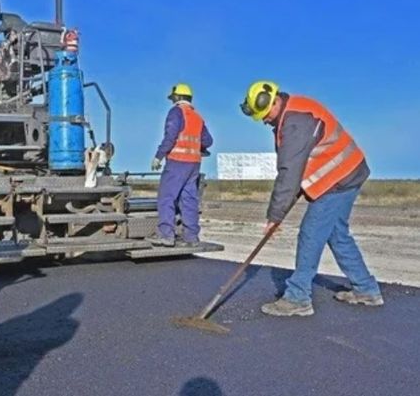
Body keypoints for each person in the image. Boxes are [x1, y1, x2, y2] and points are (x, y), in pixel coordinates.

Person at [240, 80, 382, 317]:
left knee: (311, 232)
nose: (264, 120)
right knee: (337, 234)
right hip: (349, 172)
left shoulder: (295, 122)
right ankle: (366, 289)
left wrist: (275, 216)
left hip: (339, 179)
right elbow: (297, 171)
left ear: (274, 100)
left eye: (265, 114)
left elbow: (289, 173)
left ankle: (298, 297)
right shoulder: (290, 113)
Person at [150, 84, 213, 247]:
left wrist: (159, 156)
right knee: (189, 199)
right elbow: (208, 141)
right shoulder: (197, 117)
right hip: (194, 164)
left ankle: (166, 235)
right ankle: (191, 237)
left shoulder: (176, 112)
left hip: (177, 162)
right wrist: (198, 147)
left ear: (177, 98)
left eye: (173, 98)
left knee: (167, 197)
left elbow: (170, 136)